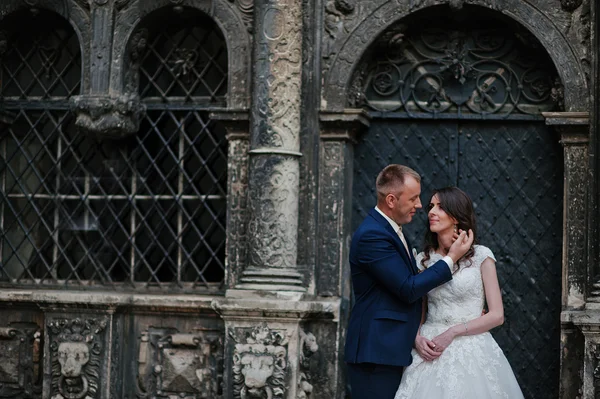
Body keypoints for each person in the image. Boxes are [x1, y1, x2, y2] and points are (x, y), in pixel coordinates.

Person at [345, 165, 474, 399]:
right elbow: (407, 288)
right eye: (413, 198)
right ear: (392, 200)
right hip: (376, 352)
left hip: (393, 348)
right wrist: (451, 258)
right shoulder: (373, 235)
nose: (419, 205)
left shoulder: (392, 230)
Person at [394, 187, 524, 398]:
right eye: (431, 206)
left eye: (440, 207)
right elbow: (419, 310)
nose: (431, 212)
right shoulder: (422, 261)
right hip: (429, 347)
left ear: (455, 216)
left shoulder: (482, 256)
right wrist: (416, 338)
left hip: (471, 347)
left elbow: (497, 315)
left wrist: (453, 332)